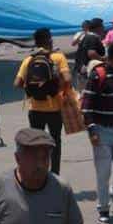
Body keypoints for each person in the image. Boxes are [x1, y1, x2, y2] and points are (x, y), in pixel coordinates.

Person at [82, 41, 113, 224]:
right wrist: (92, 131)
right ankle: (103, 208)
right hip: (102, 132)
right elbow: (86, 106)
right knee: (103, 172)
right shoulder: (98, 75)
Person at [14, 27, 73, 176]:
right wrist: (61, 90)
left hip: (35, 109)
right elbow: (67, 79)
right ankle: (54, 174)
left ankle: (36, 173)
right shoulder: (58, 58)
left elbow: (17, 83)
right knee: (55, 142)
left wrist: (31, 89)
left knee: (35, 143)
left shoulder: (29, 59)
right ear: (48, 41)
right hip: (54, 109)